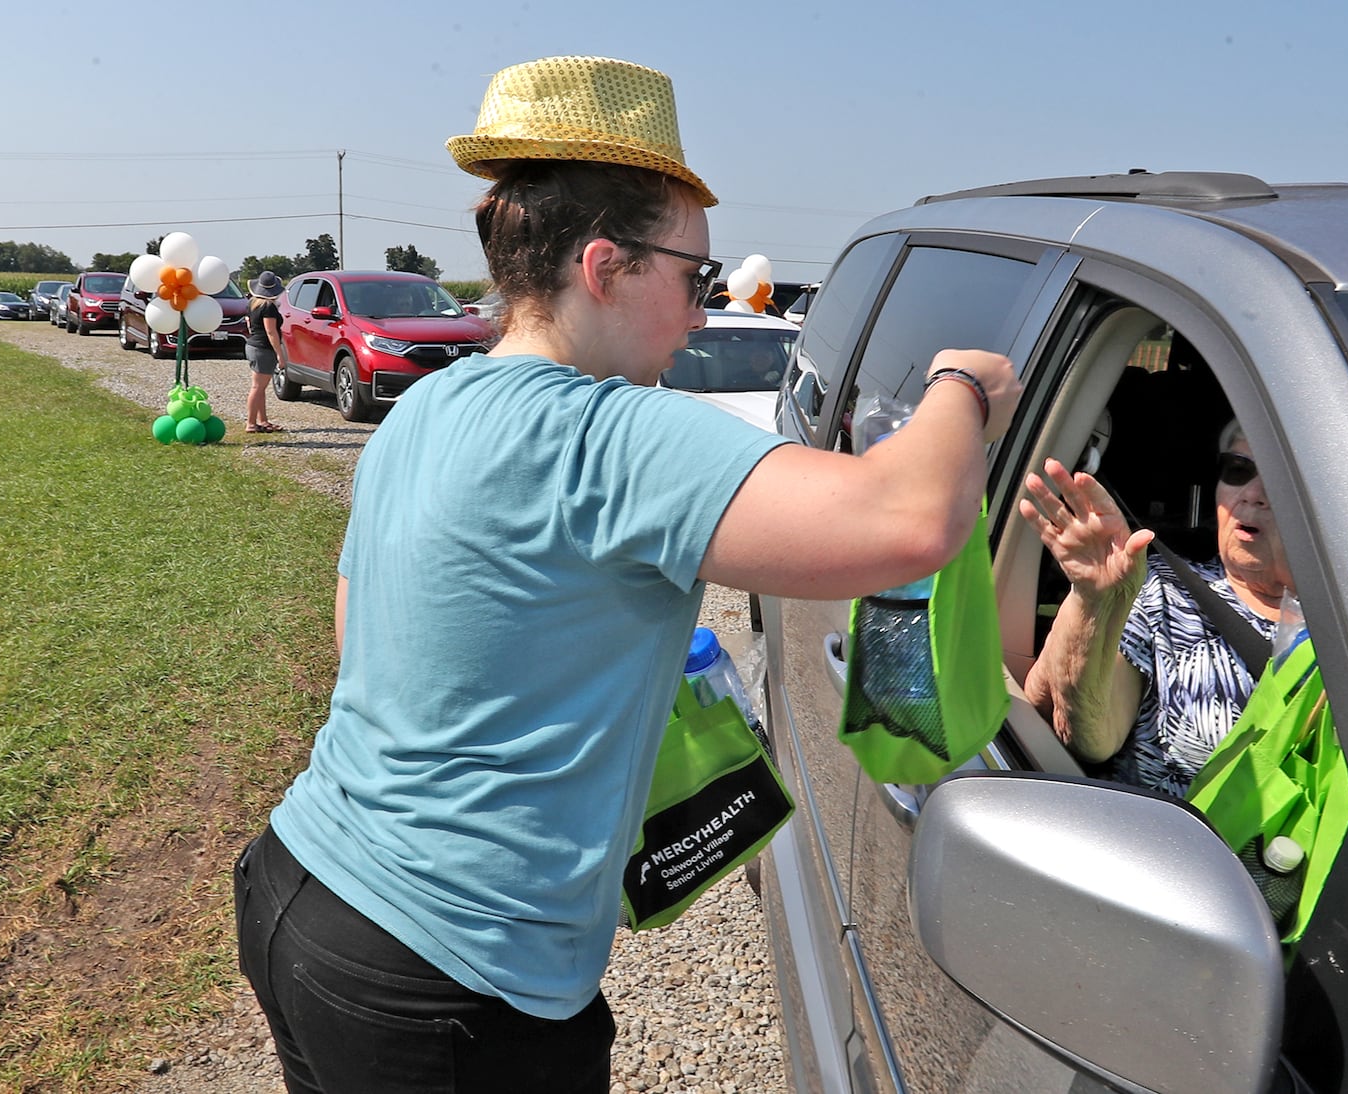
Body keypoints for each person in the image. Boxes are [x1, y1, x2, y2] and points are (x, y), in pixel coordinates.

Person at [234, 54, 1021, 1094]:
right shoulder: (608, 430)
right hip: (449, 987)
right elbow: (910, 516)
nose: (700, 312)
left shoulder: (429, 404)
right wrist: (964, 382)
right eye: (692, 278)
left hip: (301, 890)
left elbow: (363, 640)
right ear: (604, 267)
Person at [1018, 418, 1295, 797]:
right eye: (1239, 469)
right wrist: (1092, 599)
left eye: (1282, 476)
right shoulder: (1165, 590)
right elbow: (1092, 736)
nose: (1253, 493)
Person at [244, 270, 288, 433]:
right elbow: (271, 332)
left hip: (253, 346)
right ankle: (250, 423)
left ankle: (262, 420)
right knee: (257, 387)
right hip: (263, 349)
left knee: (260, 387)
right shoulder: (268, 307)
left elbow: (250, 325)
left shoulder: (252, 303)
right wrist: (280, 354)